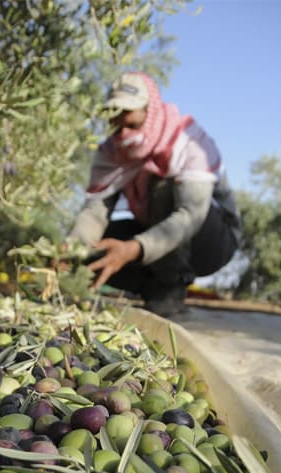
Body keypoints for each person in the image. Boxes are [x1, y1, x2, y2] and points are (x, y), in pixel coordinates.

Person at [68, 71, 242, 317]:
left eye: (132, 125)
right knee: (93, 250)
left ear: (149, 113)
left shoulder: (188, 143)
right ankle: (152, 286)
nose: (124, 135)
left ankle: (171, 287)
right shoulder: (111, 152)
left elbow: (189, 215)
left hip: (210, 241)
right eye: (116, 127)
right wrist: (70, 252)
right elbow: (94, 212)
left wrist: (132, 249)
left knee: (162, 189)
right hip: (153, 230)